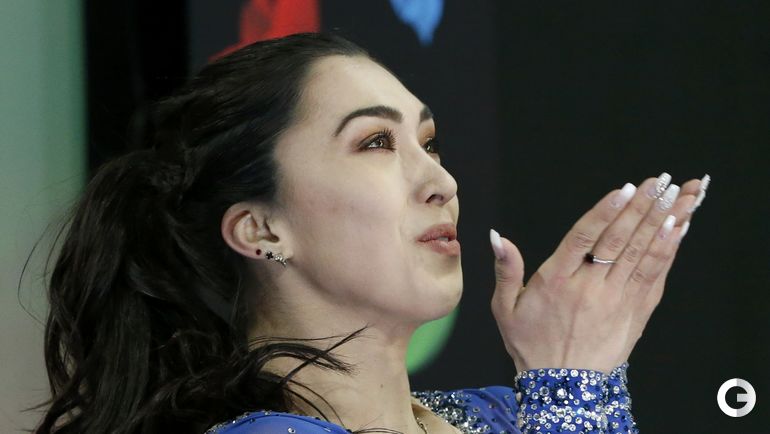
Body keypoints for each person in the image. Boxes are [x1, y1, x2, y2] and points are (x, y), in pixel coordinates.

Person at [34, 32, 709, 434]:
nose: (441, 181)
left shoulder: (500, 414)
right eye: (377, 142)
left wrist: (580, 384)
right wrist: (574, 388)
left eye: (429, 142)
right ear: (261, 228)